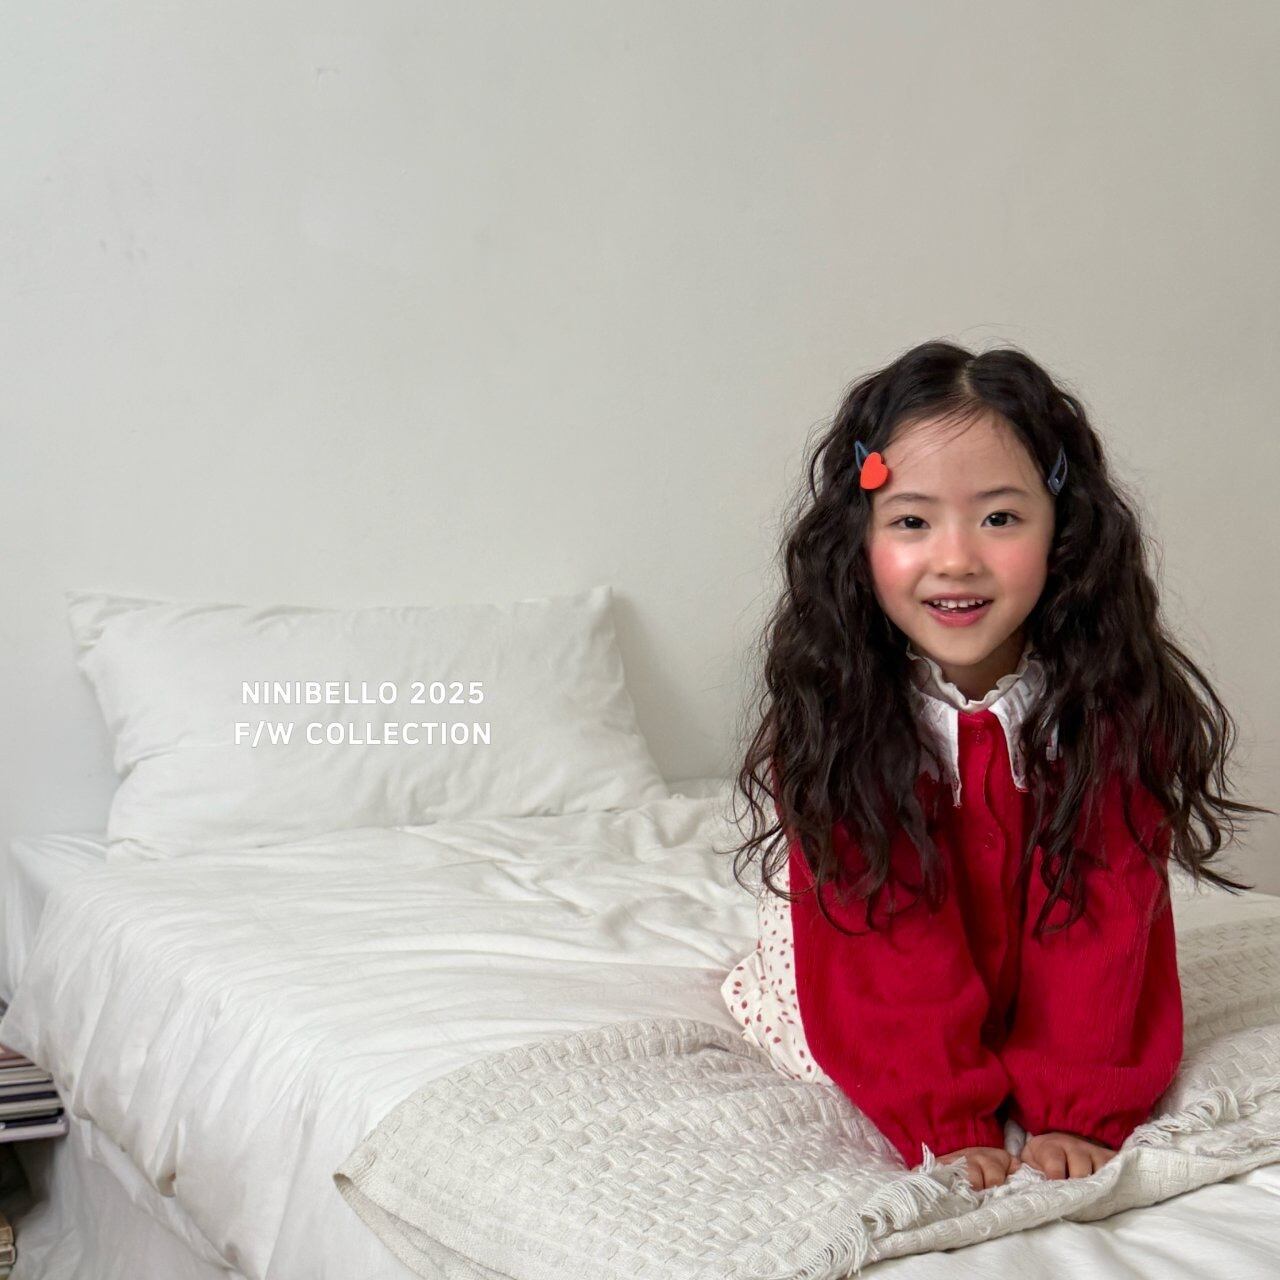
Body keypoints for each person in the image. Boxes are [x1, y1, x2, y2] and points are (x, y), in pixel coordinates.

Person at [719, 340, 1269, 1192]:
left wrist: (1076, 1104)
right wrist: (948, 1117)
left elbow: (1106, 917)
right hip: (869, 997)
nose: (956, 559)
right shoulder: (842, 720)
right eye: (911, 521)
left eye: (1000, 519)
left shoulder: (1106, 708)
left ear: (1063, 531)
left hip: (1025, 987)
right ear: (860, 539)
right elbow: (883, 940)